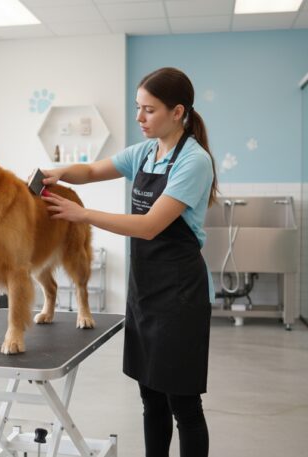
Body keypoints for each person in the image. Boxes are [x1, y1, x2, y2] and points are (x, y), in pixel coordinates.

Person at [40, 67, 218, 457]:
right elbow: (91, 171)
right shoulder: (145, 153)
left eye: (149, 110)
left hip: (181, 297)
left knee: (184, 405)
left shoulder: (194, 161)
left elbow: (150, 226)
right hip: (146, 292)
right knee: (151, 398)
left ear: (177, 112)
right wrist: (58, 173)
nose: (139, 117)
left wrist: (83, 215)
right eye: (138, 107)